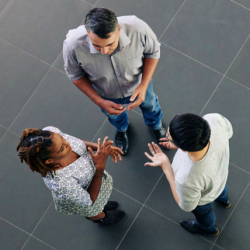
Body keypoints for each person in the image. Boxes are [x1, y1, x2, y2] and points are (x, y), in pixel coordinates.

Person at [63, 8, 166, 155]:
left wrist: (143, 86)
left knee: (151, 105)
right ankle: (122, 129)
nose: (104, 51)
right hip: (106, 93)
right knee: (113, 116)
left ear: (118, 29)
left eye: (110, 44)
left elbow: (153, 52)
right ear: (88, 33)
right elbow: (75, 75)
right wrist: (99, 101)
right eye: (97, 46)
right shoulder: (72, 45)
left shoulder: (138, 28)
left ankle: (156, 124)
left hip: (139, 84)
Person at [145, 113, 233, 235]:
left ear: (184, 149)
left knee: (205, 214)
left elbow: (186, 206)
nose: (166, 135)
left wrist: (166, 167)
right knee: (221, 190)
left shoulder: (187, 179)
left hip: (204, 198)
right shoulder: (214, 120)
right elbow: (229, 133)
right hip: (221, 178)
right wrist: (180, 143)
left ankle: (208, 229)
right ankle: (225, 201)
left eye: (169, 136)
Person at [17, 126, 125, 225]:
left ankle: (103, 205)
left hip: (97, 180)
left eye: (62, 138)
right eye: (62, 148)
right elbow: (90, 201)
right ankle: (103, 218)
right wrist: (99, 168)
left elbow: (77, 143)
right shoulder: (61, 183)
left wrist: (99, 148)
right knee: (95, 211)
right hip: (87, 196)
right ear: (49, 160)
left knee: (101, 201)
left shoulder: (51, 134)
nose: (68, 144)